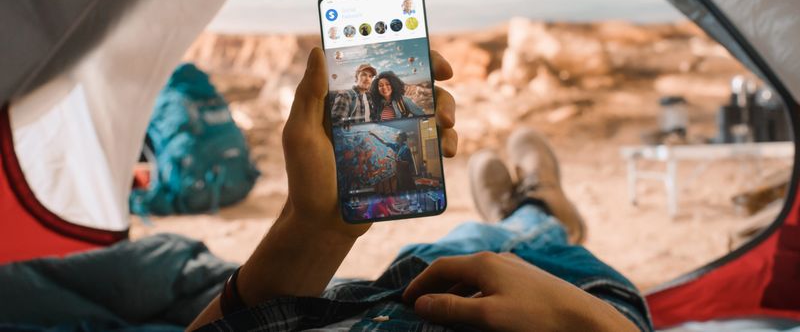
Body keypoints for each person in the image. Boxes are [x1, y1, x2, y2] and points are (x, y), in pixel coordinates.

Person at [188, 49, 651, 332]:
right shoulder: (368, 99)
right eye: (375, 80)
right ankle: (541, 209)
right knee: (522, 244)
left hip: (405, 281)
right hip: (580, 298)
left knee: (458, 244)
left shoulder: (394, 101)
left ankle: (527, 212)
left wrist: (313, 228)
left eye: (381, 80)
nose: (377, 84)